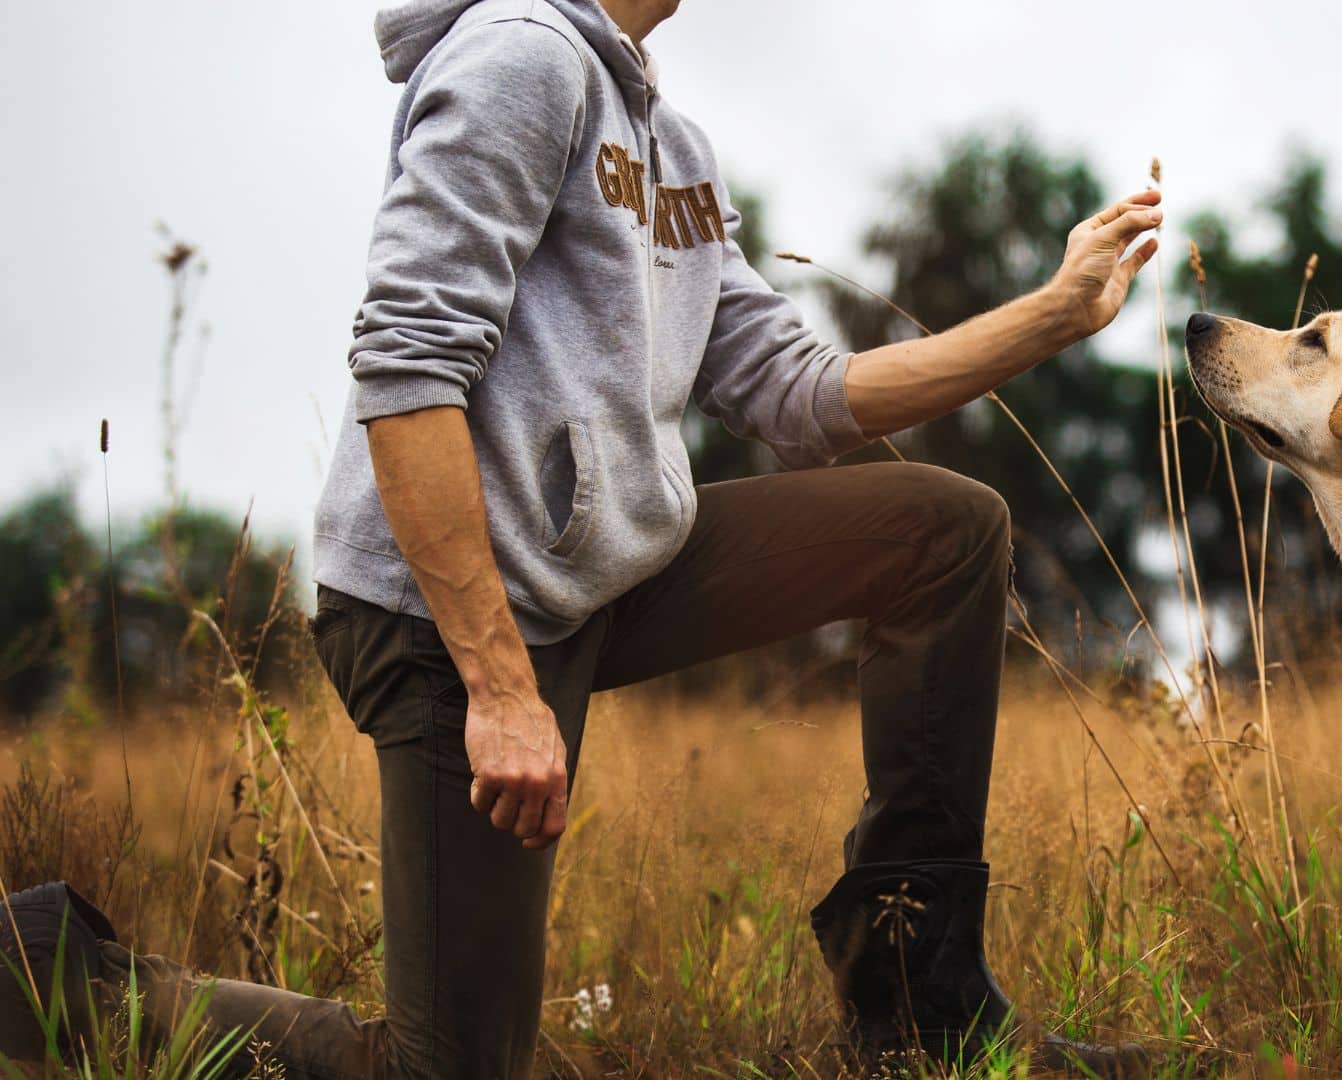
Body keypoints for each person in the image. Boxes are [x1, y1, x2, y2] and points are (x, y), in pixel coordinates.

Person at [1, 0, 1162, 1075]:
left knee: (942, 532)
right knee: (446, 1063)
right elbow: (406, 368)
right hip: (444, 612)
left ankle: (918, 1011)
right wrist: (501, 689)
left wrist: (1049, 316)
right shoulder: (522, 58)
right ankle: (47, 974)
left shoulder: (673, 149)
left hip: (610, 571)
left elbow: (795, 392)